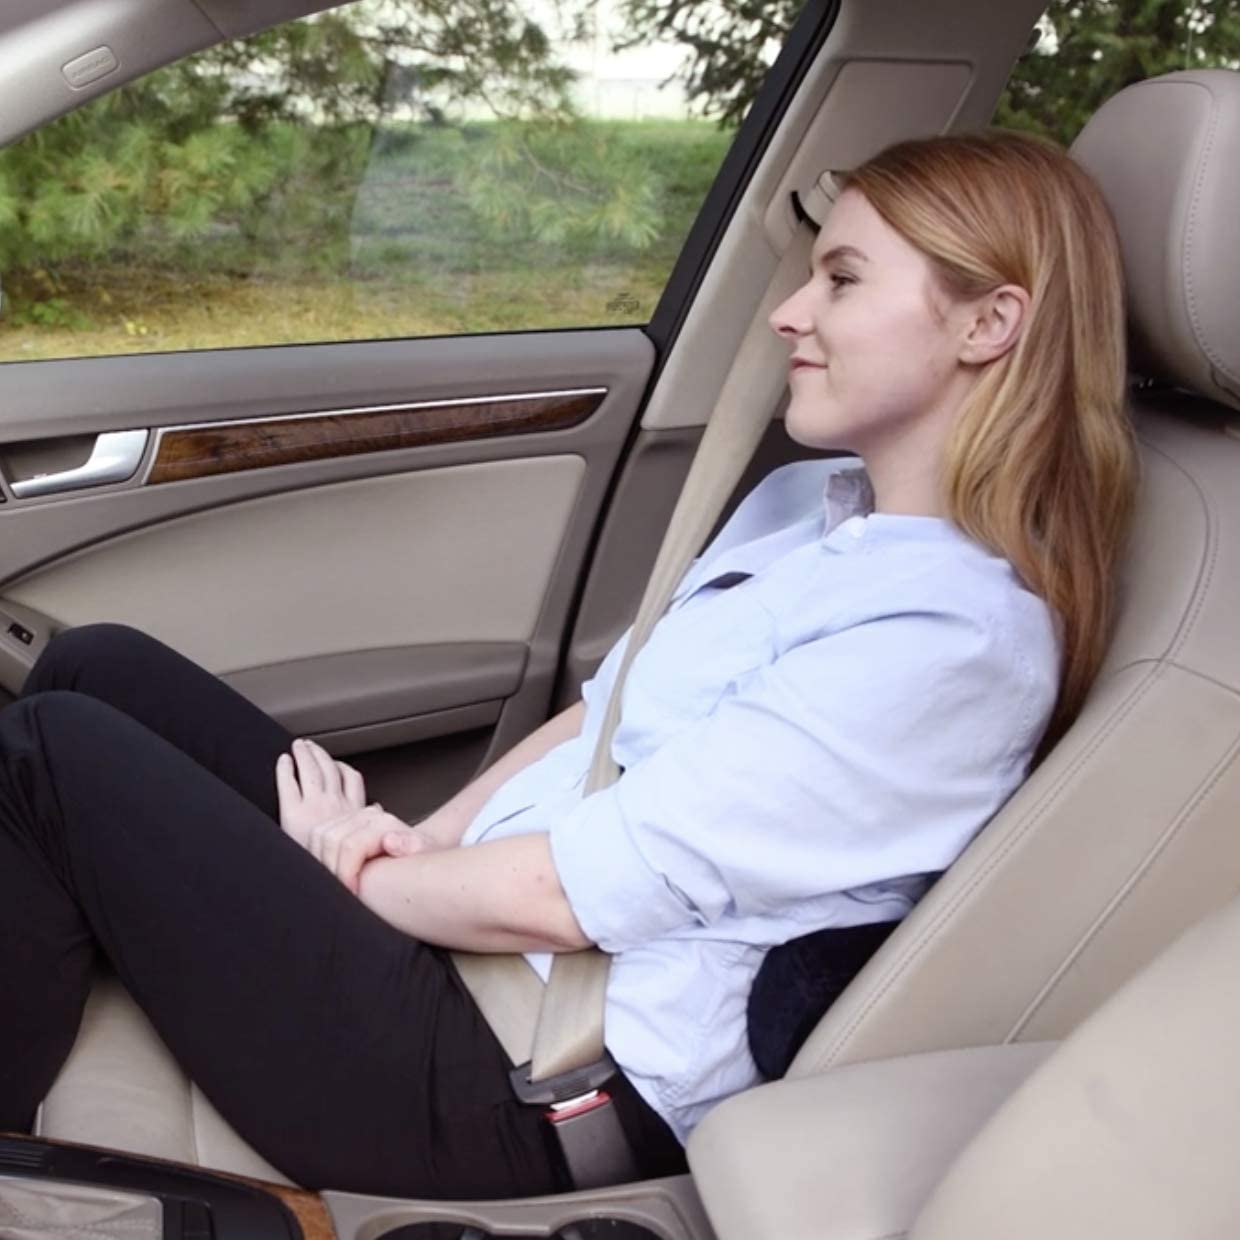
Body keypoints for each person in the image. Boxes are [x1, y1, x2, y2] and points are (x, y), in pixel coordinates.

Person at [0, 131, 1136, 1199]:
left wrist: (354, 872)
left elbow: (569, 897)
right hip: (470, 939)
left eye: (840, 280)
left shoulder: (949, 641)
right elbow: (606, 711)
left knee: (49, 756)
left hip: (512, 1083)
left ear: (987, 323)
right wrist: (422, 839)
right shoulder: (810, 509)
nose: (788, 312)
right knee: (96, 668)